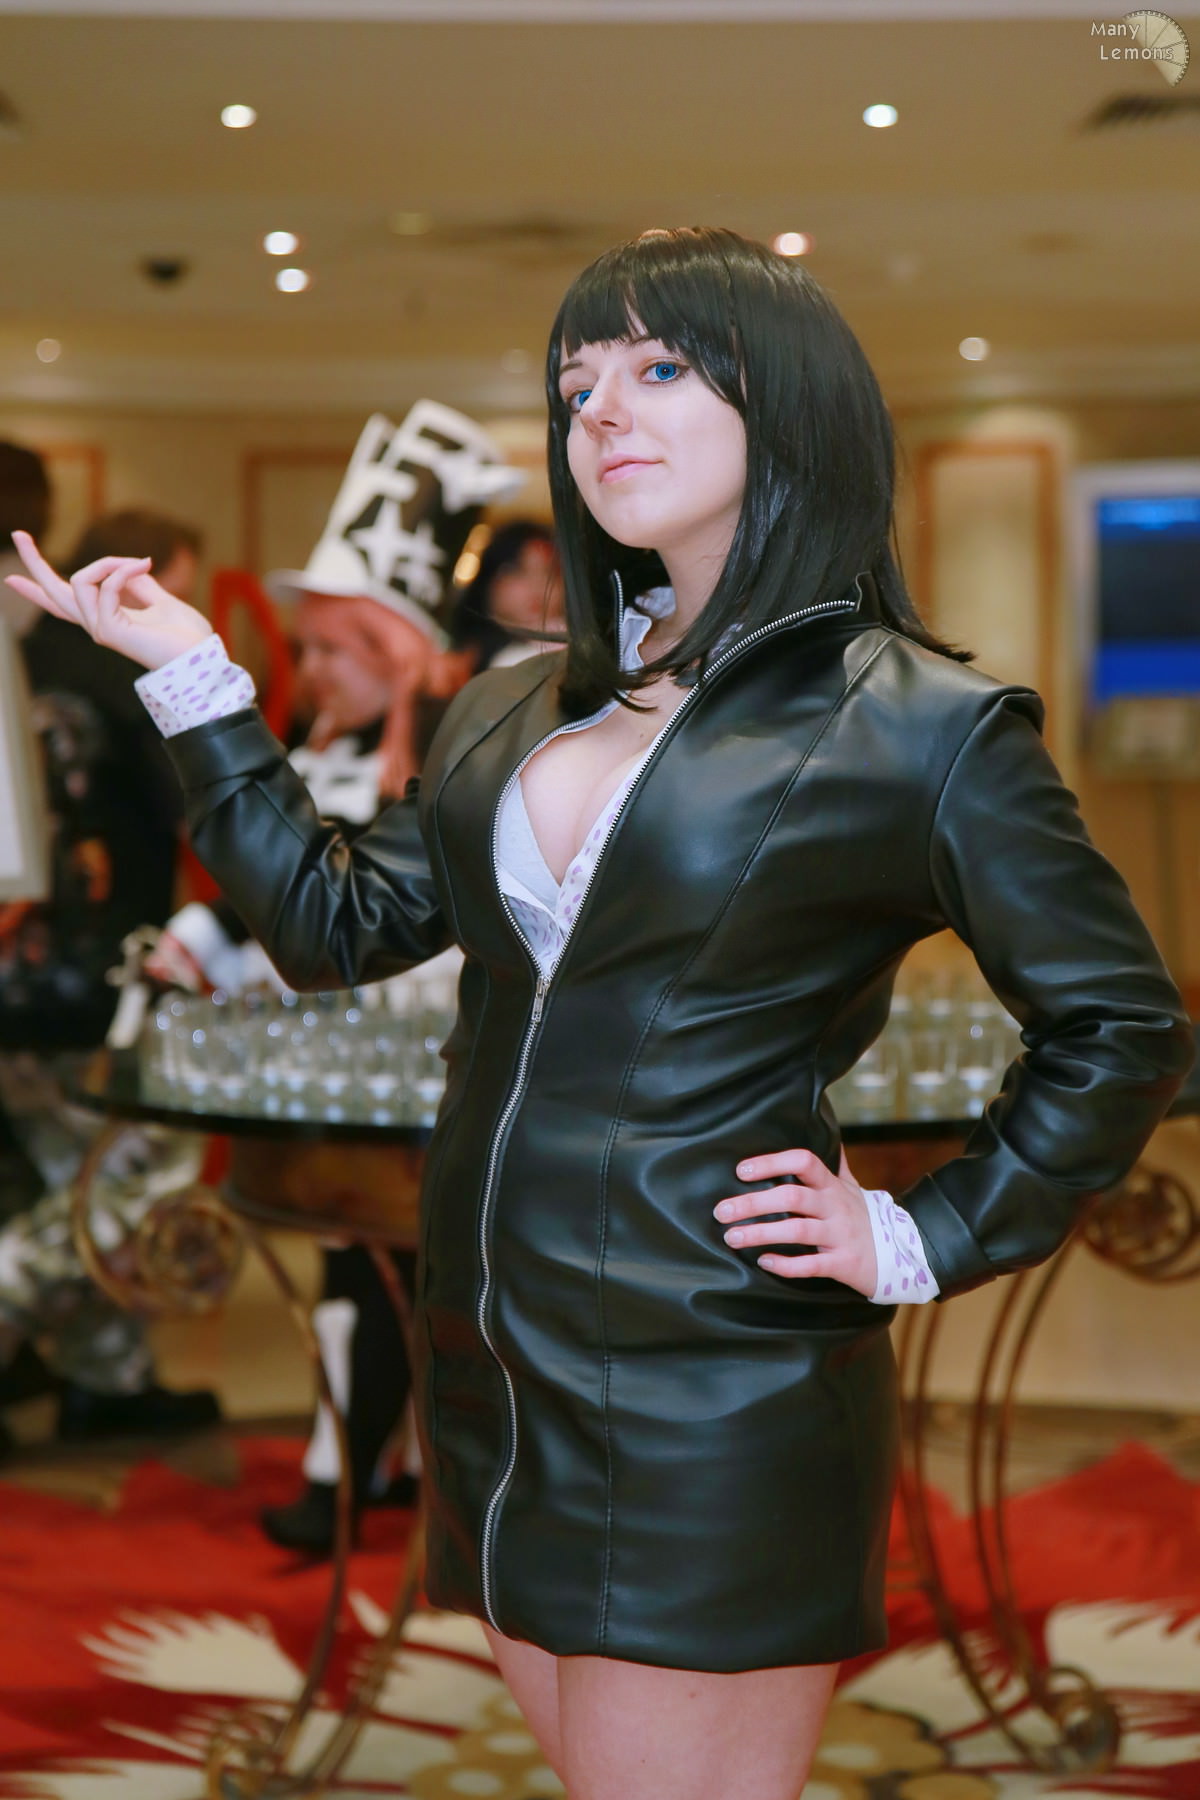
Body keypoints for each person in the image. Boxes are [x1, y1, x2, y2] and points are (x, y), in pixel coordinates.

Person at [8, 227, 1191, 1800]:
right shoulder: (518, 698)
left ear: (791, 404)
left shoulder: (919, 725)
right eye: (576, 387)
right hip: (490, 1372)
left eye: (660, 368)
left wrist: (922, 1236)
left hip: (714, 1383)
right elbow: (336, 923)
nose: (602, 413)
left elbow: (1122, 1024)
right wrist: (194, 679)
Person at [0, 504, 219, 1451]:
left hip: (15, 970)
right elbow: (200, 805)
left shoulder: (19, 656)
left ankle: (105, 1376)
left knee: (52, 1170)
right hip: (103, 978)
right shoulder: (127, 670)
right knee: (132, 1174)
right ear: (140, 577)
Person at [450, 519, 565, 673]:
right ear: (489, 579)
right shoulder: (464, 659)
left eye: (549, 573)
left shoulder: (575, 647)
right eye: (519, 570)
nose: (538, 586)